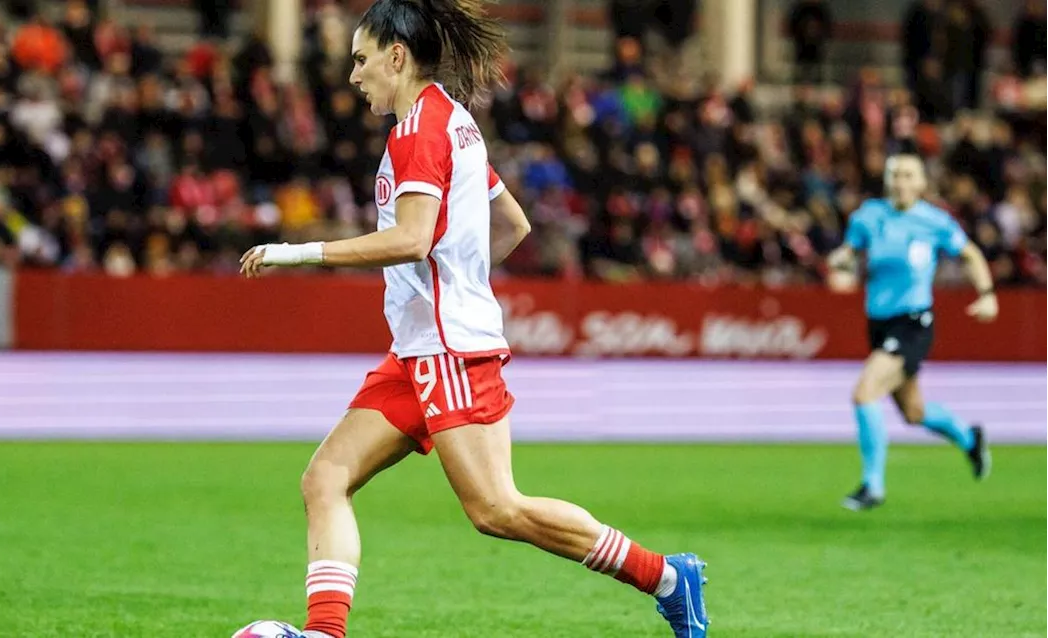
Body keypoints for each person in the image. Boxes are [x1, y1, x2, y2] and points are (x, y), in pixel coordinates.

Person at [239, 1, 709, 636]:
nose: (354, 76)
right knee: (325, 477)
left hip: (447, 349)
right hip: (419, 347)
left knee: (496, 508)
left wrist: (297, 252)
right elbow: (513, 224)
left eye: (361, 60)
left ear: (396, 56)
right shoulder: (454, 123)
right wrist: (459, 279)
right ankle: (324, 632)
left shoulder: (417, 134)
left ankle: (668, 578)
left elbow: (410, 239)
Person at [825, 153, 996, 512]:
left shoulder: (934, 222)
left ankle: (873, 486)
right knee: (914, 412)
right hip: (880, 323)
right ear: (888, 181)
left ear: (921, 183)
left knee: (864, 392)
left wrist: (986, 294)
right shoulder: (868, 216)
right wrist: (841, 260)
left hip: (913, 322)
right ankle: (969, 438)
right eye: (895, 174)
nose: (901, 181)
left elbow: (971, 255)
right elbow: (849, 253)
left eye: (908, 175)